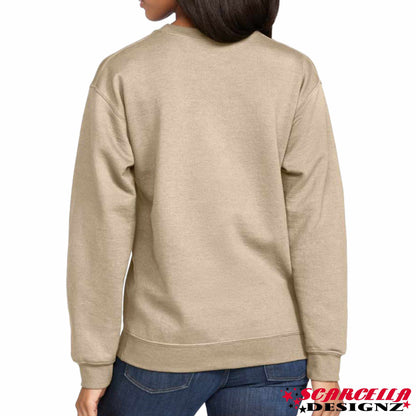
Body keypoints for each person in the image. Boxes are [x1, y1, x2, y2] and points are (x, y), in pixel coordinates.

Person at [66, 0, 348, 415]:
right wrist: (325, 363)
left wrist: (94, 364)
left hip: (161, 352)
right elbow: (317, 224)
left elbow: (99, 231)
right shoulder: (292, 71)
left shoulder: (125, 72)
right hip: (272, 353)